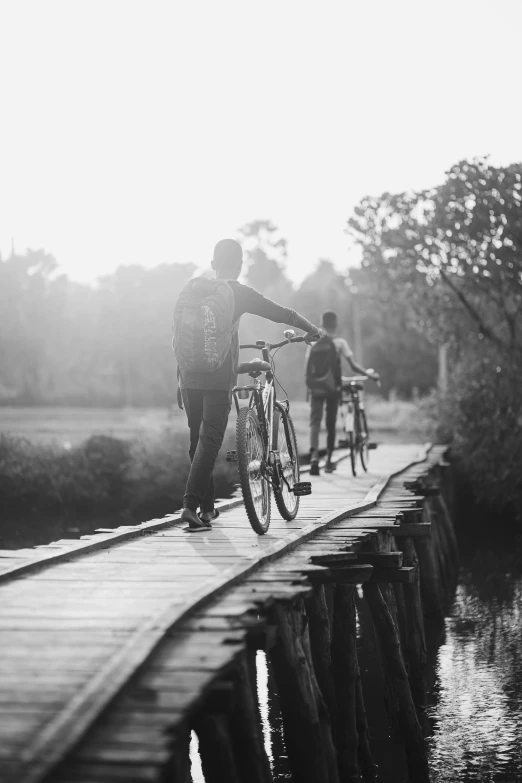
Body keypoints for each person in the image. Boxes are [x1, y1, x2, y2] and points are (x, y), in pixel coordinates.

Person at [175, 238, 321, 532]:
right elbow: (283, 314)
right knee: (210, 441)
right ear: (240, 266)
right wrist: (312, 330)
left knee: (196, 441)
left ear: (214, 264)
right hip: (217, 378)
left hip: (189, 376)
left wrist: (180, 380)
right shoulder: (237, 292)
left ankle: (207, 509)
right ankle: (190, 507)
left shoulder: (194, 290)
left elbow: (182, 336)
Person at [306, 310, 378, 476]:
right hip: (333, 388)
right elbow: (353, 366)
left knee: (314, 423)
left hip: (316, 388)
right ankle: (329, 460)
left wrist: (309, 389)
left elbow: (307, 370)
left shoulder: (313, 344)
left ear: (322, 324)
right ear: (336, 324)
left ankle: (314, 459)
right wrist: (370, 375)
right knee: (331, 424)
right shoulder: (340, 343)